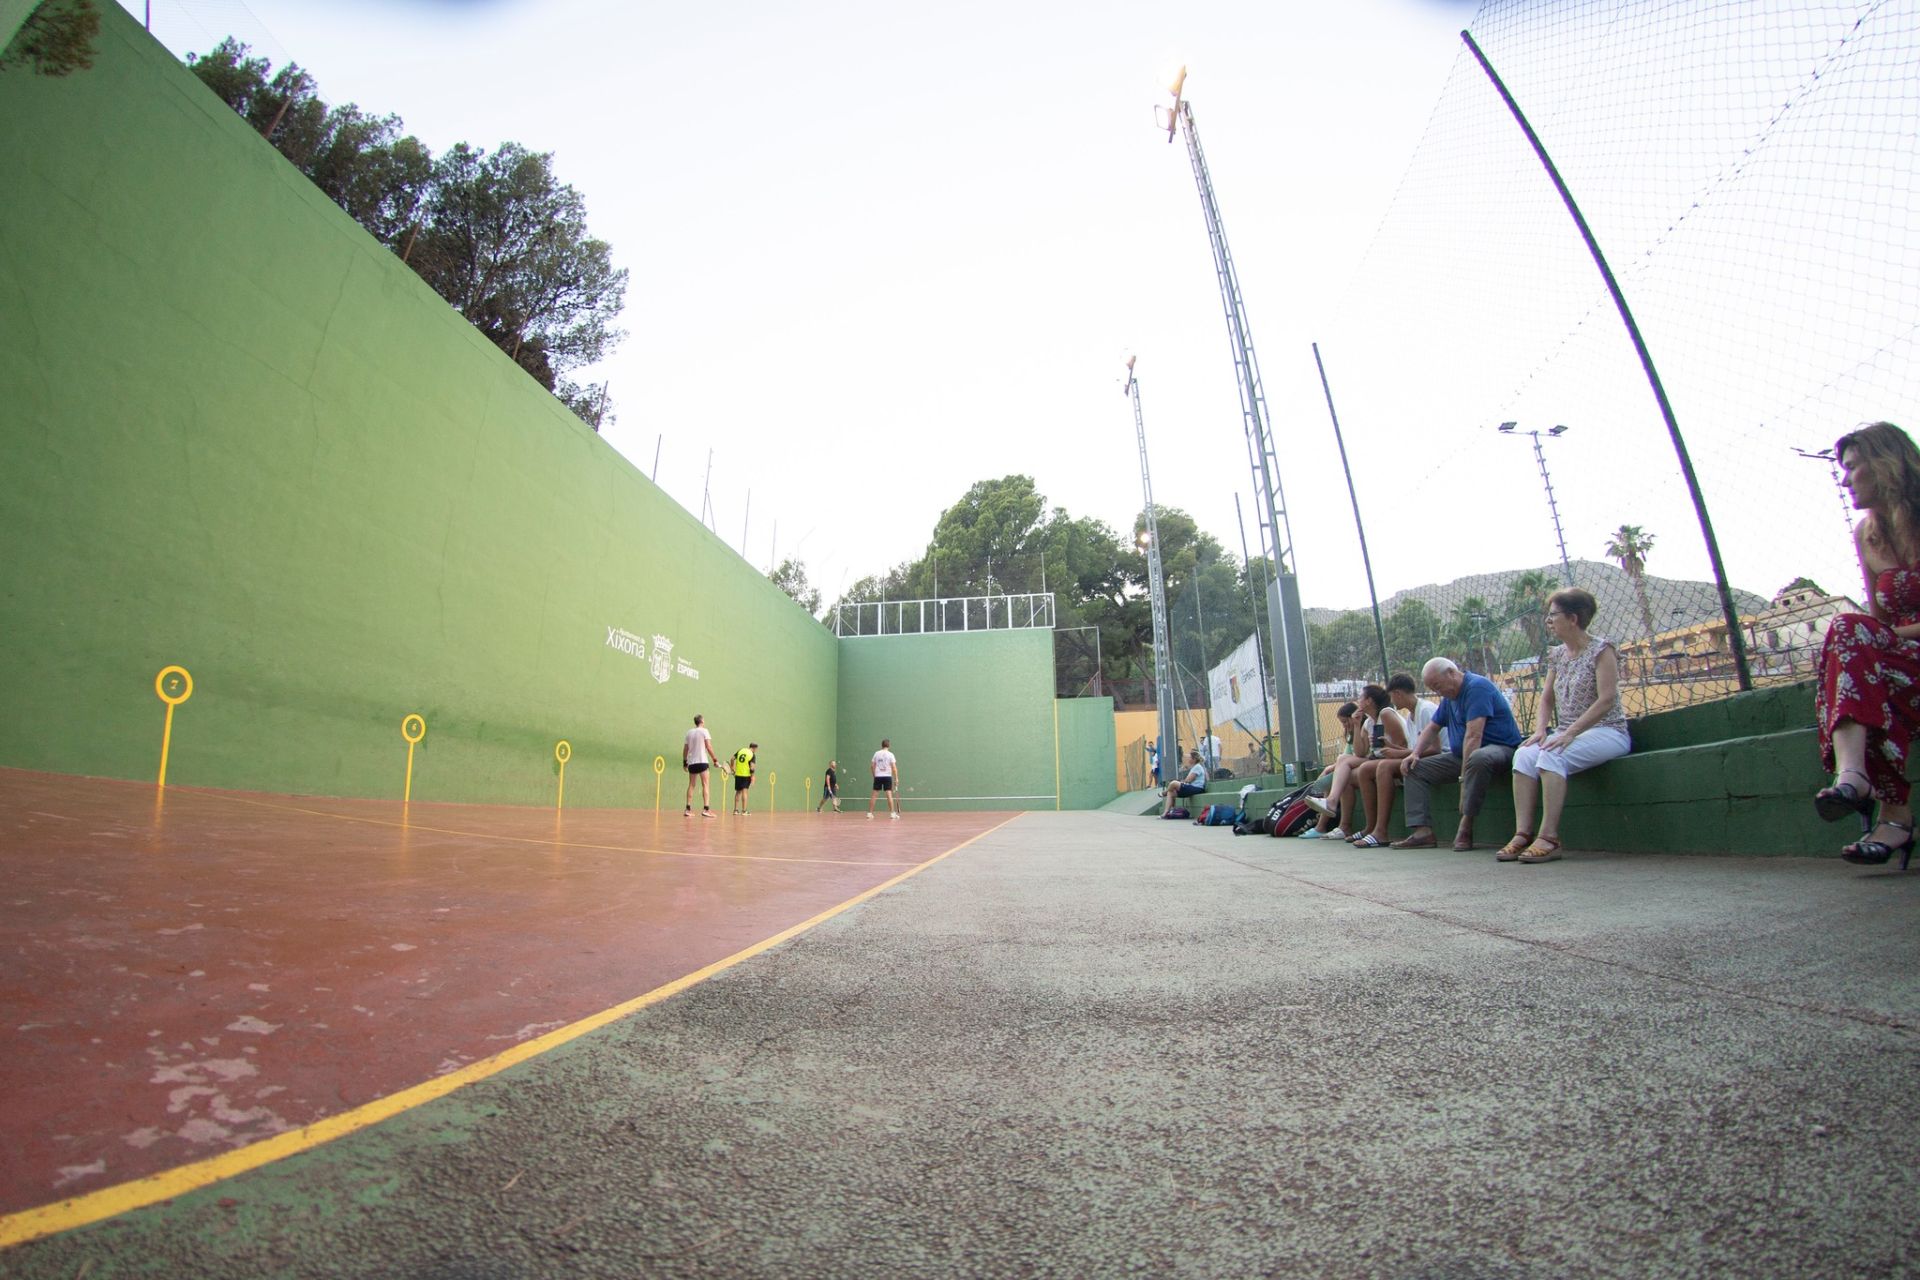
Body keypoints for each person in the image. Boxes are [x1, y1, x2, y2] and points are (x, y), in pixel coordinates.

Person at [1815, 420, 1920, 866]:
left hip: (1904, 649)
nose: (1844, 478)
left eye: (1853, 467)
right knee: (1851, 640)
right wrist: (1878, 641)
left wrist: (1883, 639)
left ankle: (1892, 815)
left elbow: (1879, 632)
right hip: (1904, 661)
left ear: (1886, 463)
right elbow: (1875, 622)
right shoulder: (1867, 532)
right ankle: (1855, 778)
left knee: (1856, 645)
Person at [1497, 588, 1633, 864]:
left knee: (1551, 755)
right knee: (1524, 755)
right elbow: (1546, 698)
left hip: (1608, 731)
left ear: (1572, 618)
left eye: (1553, 615)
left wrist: (1570, 733)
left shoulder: (1601, 650)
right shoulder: (1557, 655)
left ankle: (1549, 837)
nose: (1549, 621)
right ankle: (1523, 832)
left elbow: (1606, 700)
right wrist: (1540, 730)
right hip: (1565, 733)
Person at [1392, 657, 1525, 850]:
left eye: (1438, 686)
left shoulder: (1477, 688)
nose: (1438, 692)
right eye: (1433, 689)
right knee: (1414, 768)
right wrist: (1415, 754)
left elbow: (1473, 736)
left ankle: (1466, 825)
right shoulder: (1448, 699)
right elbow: (1432, 727)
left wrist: (1463, 780)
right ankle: (1422, 832)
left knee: (1477, 758)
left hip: (1499, 750)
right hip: (1462, 756)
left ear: (1451, 673)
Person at [1305, 685, 1405, 844]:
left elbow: (1403, 746)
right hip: (1377, 759)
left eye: (1360, 697)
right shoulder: (1368, 723)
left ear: (1369, 700)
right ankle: (1366, 827)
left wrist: (1389, 747)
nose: (1358, 701)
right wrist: (1358, 725)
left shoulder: (1386, 714)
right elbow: (1360, 752)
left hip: (1392, 759)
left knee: (1344, 760)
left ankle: (1332, 802)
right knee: (1346, 773)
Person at [1352, 674, 1443, 848]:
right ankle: (1372, 827)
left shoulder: (1425, 710)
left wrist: (1396, 752)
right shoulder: (1411, 716)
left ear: (1398, 693)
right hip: (1423, 757)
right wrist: (1394, 749)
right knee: (1365, 770)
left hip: (1440, 757)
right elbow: (1416, 750)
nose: (1391, 700)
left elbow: (1435, 750)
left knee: (1384, 767)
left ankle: (1381, 831)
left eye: (1392, 695)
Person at [1298, 703, 1360, 840]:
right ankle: (1324, 826)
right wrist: (1330, 768)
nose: (1344, 725)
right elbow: (1347, 756)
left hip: (1364, 765)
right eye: (1342, 723)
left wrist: (1335, 766)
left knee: (1341, 775)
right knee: (1332, 776)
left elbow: (1360, 755)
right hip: (1354, 767)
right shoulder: (1350, 734)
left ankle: (1326, 824)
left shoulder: (1363, 728)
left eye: (1345, 721)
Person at [683, 714, 719, 818]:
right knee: (705, 784)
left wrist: (685, 762)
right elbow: (708, 746)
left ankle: (688, 809)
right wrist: (715, 759)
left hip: (692, 763)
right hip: (702, 762)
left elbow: (685, 749)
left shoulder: (689, 732)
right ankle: (706, 809)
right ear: (702, 721)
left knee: (691, 785)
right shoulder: (704, 731)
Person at [1160, 749, 1207, 816]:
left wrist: (1181, 782)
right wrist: (1182, 781)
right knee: (1170, 793)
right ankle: (1167, 812)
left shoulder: (1197, 767)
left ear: (1194, 759)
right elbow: (1186, 781)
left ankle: (1164, 792)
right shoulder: (1194, 767)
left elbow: (1188, 780)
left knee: (1173, 783)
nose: (1188, 759)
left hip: (1197, 788)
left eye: (1190, 757)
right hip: (1191, 788)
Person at [869, 738, 901, 820]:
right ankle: (892, 814)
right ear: (889, 746)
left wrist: (874, 776)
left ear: (882, 745)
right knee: (889, 795)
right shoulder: (891, 754)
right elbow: (894, 767)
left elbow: (872, 766)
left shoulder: (876, 753)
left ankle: (870, 813)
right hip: (887, 776)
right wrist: (896, 778)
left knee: (874, 795)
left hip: (878, 777)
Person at [730, 741, 757, 815]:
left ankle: (735, 810)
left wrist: (732, 768)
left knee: (738, 792)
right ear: (754, 748)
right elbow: (752, 767)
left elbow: (732, 759)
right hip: (746, 775)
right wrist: (752, 776)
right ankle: (744, 811)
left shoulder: (741, 750)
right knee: (744, 792)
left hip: (738, 775)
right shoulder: (752, 754)